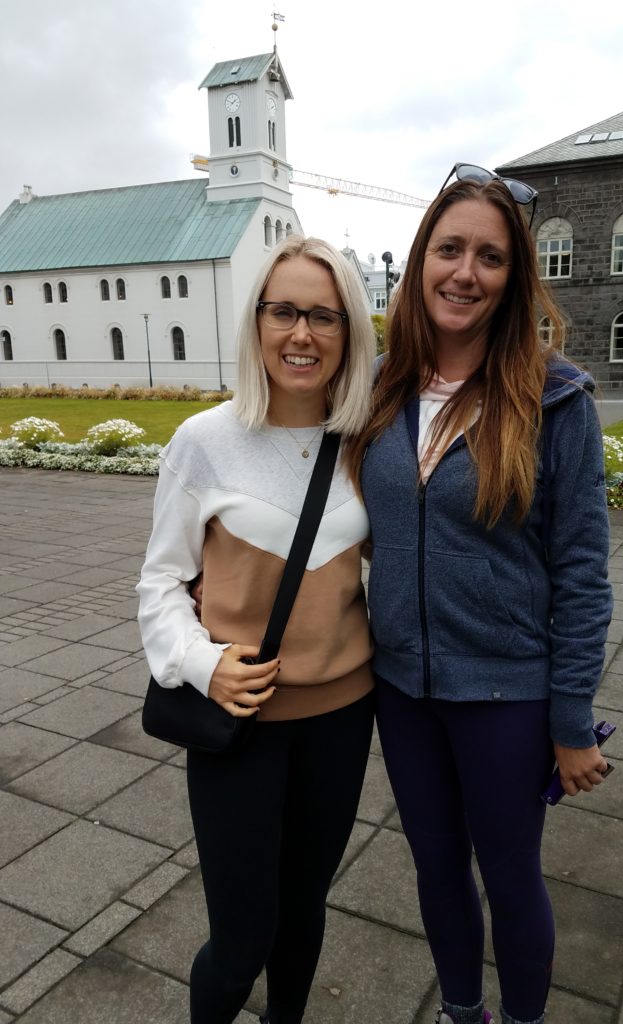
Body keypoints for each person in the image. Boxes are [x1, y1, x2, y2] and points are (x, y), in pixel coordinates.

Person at [346, 164, 613, 1024]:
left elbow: (581, 571)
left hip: (506, 691)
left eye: (490, 257)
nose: (465, 272)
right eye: (450, 248)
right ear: (422, 258)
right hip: (401, 688)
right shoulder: (378, 386)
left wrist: (571, 723)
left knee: (510, 877)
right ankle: (463, 1013)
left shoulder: (556, 398)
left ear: (514, 279)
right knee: (433, 868)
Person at [137, 236, 376, 1024]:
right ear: (257, 323)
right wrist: (201, 665)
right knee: (242, 936)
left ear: (350, 331)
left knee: (304, 913)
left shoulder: (370, 441)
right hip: (239, 722)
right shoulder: (204, 442)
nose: (301, 334)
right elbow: (160, 582)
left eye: (323, 315)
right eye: (283, 312)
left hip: (342, 720)